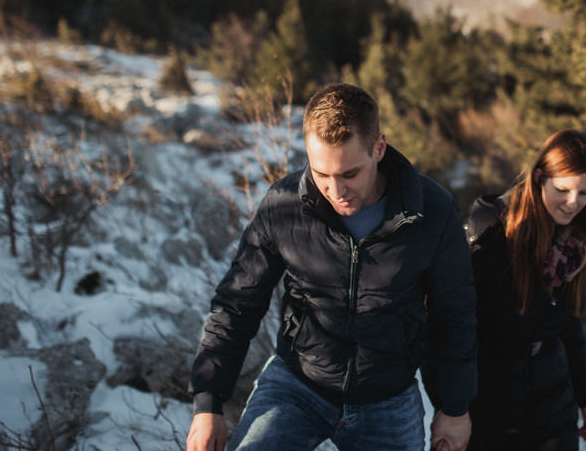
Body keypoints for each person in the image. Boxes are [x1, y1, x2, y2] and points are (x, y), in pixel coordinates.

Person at [186, 83, 476, 451]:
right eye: (321, 174)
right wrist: (208, 401)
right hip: (297, 385)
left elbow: (455, 315)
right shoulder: (284, 206)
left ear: (379, 148)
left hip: (387, 396)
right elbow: (237, 303)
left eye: (350, 174)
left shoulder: (431, 211)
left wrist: (454, 408)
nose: (336, 191)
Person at [464, 129, 586, 451]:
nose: (573, 203)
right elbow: (454, 322)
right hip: (489, 402)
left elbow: (569, 322)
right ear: (540, 178)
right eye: (563, 190)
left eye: (585, 193)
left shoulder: (576, 242)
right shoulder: (493, 227)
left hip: (553, 403)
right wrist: (452, 406)